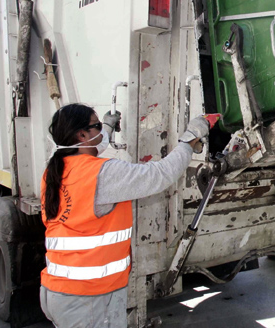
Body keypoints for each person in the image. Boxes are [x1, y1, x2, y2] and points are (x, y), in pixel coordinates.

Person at [39, 103, 210, 327]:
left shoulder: (56, 167)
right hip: (90, 298)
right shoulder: (102, 174)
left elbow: (88, 148)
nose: (101, 131)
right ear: (81, 134)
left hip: (59, 293)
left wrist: (107, 127)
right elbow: (159, 175)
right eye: (96, 126)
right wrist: (190, 138)